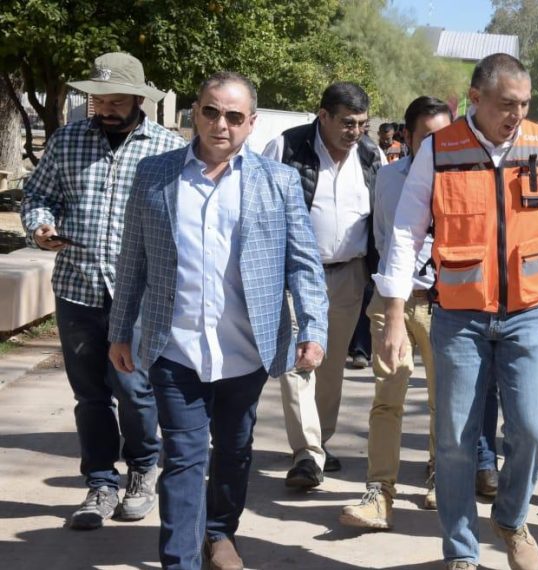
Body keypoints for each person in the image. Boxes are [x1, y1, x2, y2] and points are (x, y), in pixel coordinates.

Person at [108, 71, 328, 570]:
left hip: (246, 349)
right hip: (175, 345)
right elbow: (133, 261)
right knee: (184, 459)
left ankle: (219, 532)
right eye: (210, 111)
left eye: (234, 116)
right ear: (194, 113)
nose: (220, 124)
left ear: (251, 124)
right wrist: (121, 329)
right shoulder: (155, 174)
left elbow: (303, 264)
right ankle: (180, 560)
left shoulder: (279, 181)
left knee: (234, 448)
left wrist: (314, 328)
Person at [375, 53, 538, 570]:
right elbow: (406, 232)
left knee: (535, 428)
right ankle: (461, 551)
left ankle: (511, 519)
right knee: (454, 439)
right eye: (506, 104)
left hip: (529, 313)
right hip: (459, 319)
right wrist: (396, 312)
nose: (518, 113)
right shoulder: (439, 150)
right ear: (474, 99)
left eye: (525, 103)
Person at [20, 52, 184, 530]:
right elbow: (38, 195)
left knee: (135, 391)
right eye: (100, 100)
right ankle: (100, 482)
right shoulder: (68, 139)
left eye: (116, 101)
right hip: (78, 288)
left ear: (138, 100)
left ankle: (141, 471)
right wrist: (40, 226)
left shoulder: (165, 149)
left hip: (138, 295)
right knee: (90, 395)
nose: (107, 109)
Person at [338, 95, 501, 527]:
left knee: (444, 402)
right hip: (392, 303)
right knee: (387, 397)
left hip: (446, 305)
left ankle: (438, 474)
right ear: (406, 137)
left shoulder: (469, 176)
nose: (438, 144)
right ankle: (379, 492)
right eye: (427, 136)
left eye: (445, 135)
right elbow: (383, 239)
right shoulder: (387, 179)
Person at [263, 82, 385, 489]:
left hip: (349, 274)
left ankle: (321, 441)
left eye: (362, 124)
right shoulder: (286, 148)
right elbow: (260, 210)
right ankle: (307, 453)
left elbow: (378, 220)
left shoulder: (371, 156)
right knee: (301, 360)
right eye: (347, 123)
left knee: (331, 365)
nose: (355, 132)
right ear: (324, 116)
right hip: (297, 274)